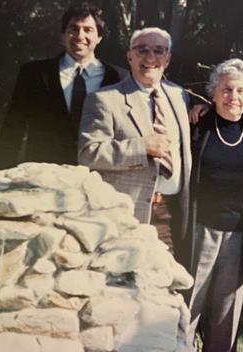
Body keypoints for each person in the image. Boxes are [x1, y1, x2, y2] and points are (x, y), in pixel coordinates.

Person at [78, 27, 191, 256]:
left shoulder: (180, 96)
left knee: (163, 277)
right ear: (130, 56)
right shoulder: (104, 99)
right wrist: (142, 147)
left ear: (167, 59)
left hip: (171, 213)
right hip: (125, 215)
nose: (150, 57)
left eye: (159, 51)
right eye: (142, 50)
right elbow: (88, 153)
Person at [185, 58, 243, 352]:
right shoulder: (198, 126)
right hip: (199, 231)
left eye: (240, 91)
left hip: (240, 235)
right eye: (227, 89)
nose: (233, 96)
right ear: (214, 92)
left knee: (226, 318)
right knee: (187, 309)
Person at [0, 1, 125, 169]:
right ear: (63, 35)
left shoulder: (118, 78)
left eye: (88, 30)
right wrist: (0, 175)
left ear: (99, 37)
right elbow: (12, 130)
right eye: (73, 29)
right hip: (45, 175)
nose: (80, 36)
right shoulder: (34, 74)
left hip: (98, 176)